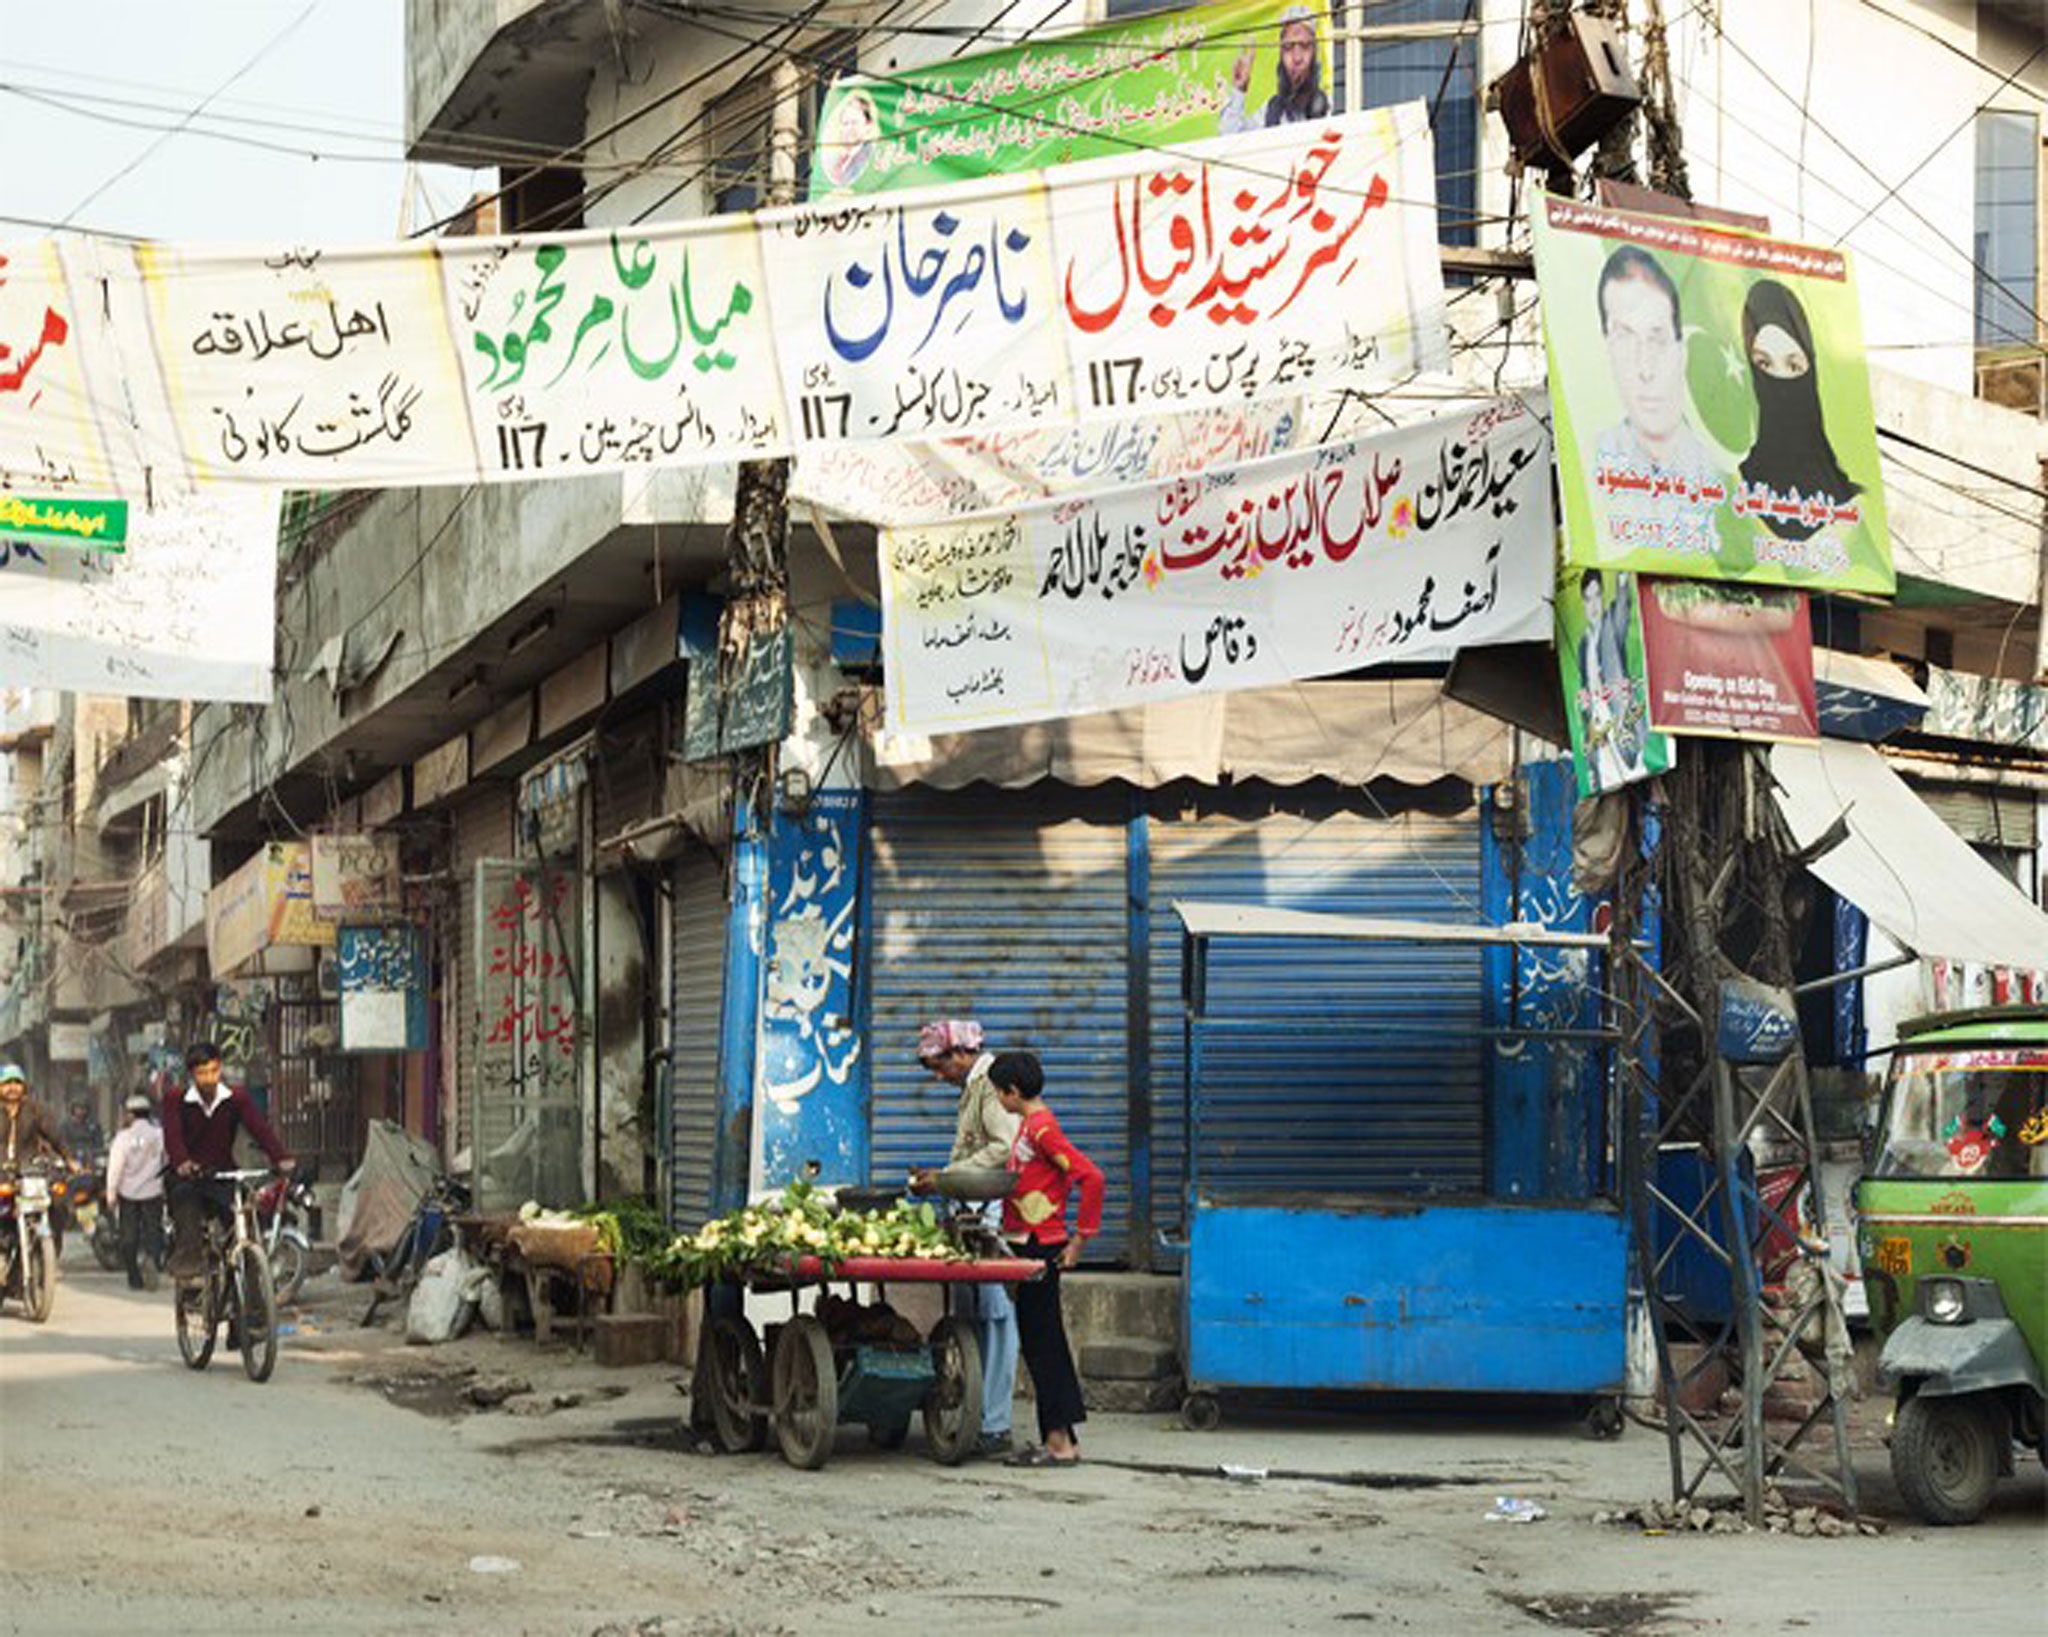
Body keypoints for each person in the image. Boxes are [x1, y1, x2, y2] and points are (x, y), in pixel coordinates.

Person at [909, 1019, 1021, 1459]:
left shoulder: (991, 1085)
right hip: (968, 1207)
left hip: (989, 1212)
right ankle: (978, 1416)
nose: (939, 1076)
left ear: (960, 1054)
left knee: (995, 1317)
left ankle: (995, 1423)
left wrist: (949, 1177)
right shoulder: (973, 1087)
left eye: (940, 1066)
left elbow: (1002, 1147)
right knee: (973, 1315)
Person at [989, 1050, 1104, 1468]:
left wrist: (1080, 1239)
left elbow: (1091, 1177)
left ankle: (1058, 1444)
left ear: (1013, 1091)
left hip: (1041, 1244)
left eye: (999, 1095)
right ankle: (1063, 1438)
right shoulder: (1031, 1127)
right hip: (1028, 1239)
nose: (999, 1102)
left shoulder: (1041, 1130)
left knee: (1042, 1344)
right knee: (1043, 1341)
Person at [1736, 279, 1859, 544]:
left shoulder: (1849, 505)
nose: (1778, 379)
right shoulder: (1735, 486)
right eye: (1763, 363)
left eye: (1793, 366)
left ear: (1812, 370)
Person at [164, 1041, 293, 1283]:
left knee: (246, 1216)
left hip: (222, 1173)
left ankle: (253, 1290)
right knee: (186, 1202)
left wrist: (281, 1157)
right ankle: (189, 1261)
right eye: (202, 1074)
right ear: (192, 1075)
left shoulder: (236, 1099)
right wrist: (182, 1162)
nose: (209, 1079)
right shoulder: (176, 1099)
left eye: (213, 1071)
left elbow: (259, 1129)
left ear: (220, 1068)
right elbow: (172, 1136)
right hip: (188, 1176)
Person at [1574, 571, 1649, 790]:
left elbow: (1623, 610)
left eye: (1597, 596)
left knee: (1635, 779)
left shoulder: (1611, 626)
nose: (1594, 605)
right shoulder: (1582, 644)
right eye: (1588, 599)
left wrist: (1622, 579)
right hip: (1599, 728)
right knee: (1605, 786)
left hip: (1620, 720)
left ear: (1604, 596)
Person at [1219, 6, 1329, 134]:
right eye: (1288, 47)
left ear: (1314, 53)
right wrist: (1239, 90)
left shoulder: (1331, 107)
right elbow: (1229, 139)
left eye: (1304, 47)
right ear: (1281, 55)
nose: (1297, 58)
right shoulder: (1271, 111)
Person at [104, 1092, 167, 1289]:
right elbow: (166, 1160)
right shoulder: (159, 1135)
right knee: (153, 1233)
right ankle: (152, 1260)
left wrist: (111, 1194)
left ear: (130, 1115)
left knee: (128, 1236)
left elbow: (115, 1167)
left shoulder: (122, 1138)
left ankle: (134, 1275)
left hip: (128, 1193)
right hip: (153, 1191)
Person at [0, 1063, 75, 1174]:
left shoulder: (35, 1110)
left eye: (17, 1083)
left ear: (24, 1087)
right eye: (7, 1083)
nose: (12, 1087)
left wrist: (69, 1160)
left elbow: (55, 1138)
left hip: (28, 1170)